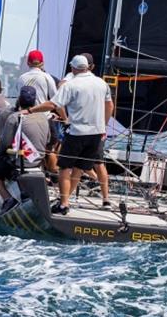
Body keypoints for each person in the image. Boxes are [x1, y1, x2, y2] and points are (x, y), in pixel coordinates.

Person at [28, 55, 113, 215]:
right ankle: (69, 200)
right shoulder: (102, 83)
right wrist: (104, 126)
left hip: (77, 133)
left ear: (73, 68)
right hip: (96, 133)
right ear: (88, 67)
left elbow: (53, 104)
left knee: (65, 168)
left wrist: (30, 110)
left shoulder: (71, 84)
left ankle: (64, 204)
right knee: (80, 168)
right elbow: (110, 105)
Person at [0, 86, 50, 215]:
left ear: (19, 99)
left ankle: (8, 199)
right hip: (39, 159)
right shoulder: (44, 117)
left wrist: (1, 153)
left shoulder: (14, 118)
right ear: (35, 101)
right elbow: (48, 139)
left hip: (21, 161)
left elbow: (4, 144)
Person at [16, 49, 60, 172]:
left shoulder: (21, 78)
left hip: (26, 119)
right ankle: (53, 175)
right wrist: (65, 118)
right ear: (42, 63)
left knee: (31, 147)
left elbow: (19, 97)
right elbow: (55, 100)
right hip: (44, 119)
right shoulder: (47, 77)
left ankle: (36, 172)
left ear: (28, 63)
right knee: (49, 149)